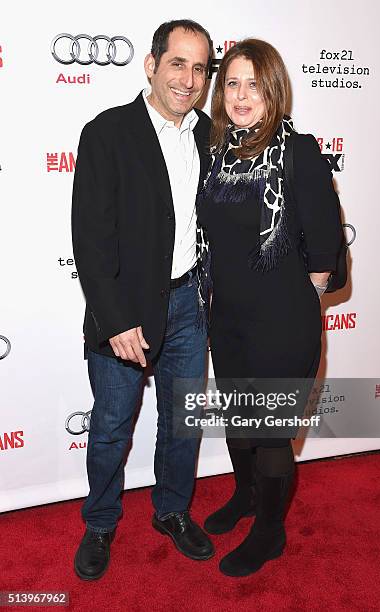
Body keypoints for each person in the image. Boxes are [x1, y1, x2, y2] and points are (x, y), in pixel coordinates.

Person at [71, 19, 215, 581]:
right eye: (178, 63)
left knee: (182, 422)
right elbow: (90, 236)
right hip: (125, 312)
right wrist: (115, 318)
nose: (189, 78)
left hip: (190, 305)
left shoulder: (209, 133)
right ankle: (101, 522)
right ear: (151, 65)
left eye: (200, 67)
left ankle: (172, 512)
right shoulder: (106, 132)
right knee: (110, 425)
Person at [196, 39, 344, 577]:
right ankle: (247, 496)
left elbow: (325, 240)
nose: (240, 95)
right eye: (231, 83)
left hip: (281, 323)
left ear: (273, 90)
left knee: (272, 428)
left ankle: (271, 531)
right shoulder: (216, 154)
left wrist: (297, 298)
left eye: (253, 85)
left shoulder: (297, 149)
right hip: (228, 318)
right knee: (239, 418)